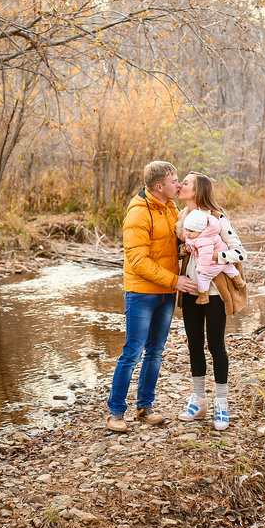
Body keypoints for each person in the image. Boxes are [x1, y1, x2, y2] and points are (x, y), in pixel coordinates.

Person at [106, 161, 197, 432]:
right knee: (132, 352)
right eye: (174, 181)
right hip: (141, 293)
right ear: (159, 187)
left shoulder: (170, 209)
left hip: (166, 293)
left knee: (155, 352)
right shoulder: (138, 214)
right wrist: (174, 280)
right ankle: (115, 413)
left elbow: (175, 246)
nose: (178, 185)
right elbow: (136, 260)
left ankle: (145, 408)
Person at [174, 172, 248, 431]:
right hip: (191, 291)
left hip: (215, 294)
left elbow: (240, 251)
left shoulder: (217, 218)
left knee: (216, 345)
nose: (181, 185)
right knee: (193, 344)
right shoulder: (181, 219)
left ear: (198, 191)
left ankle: (221, 403)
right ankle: (198, 400)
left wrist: (214, 257)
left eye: (186, 183)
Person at [181, 209, 246, 305]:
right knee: (231, 269)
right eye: (186, 230)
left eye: (191, 231)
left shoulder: (203, 240)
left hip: (213, 266)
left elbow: (205, 257)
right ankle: (239, 281)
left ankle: (203, 297)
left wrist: (202, 269)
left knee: (203, 279)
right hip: (223, 263)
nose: (187, 233)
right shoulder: (208, 229)